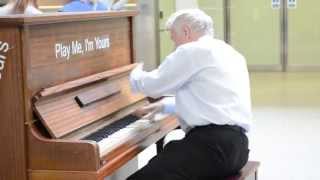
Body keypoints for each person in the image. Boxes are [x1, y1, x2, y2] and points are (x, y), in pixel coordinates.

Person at [128, 9, 252, 180]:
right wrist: (164, 106)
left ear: (186, 31)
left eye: (173, 38)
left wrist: (131, 71)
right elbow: (211, 100)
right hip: (237, 149)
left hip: (212, 148)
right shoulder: (230, 52)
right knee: (164, 159)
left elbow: (151, 86)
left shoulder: (191, 50)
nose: (174, 46)